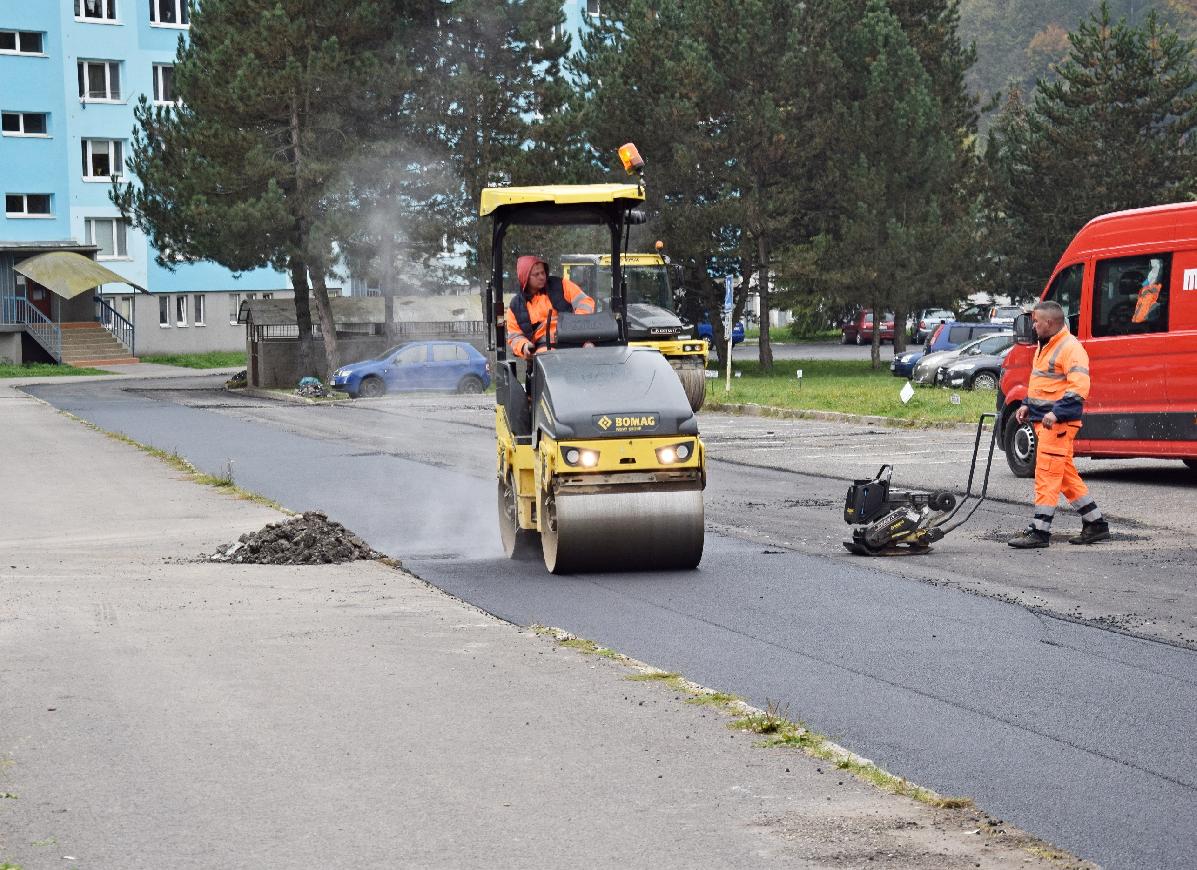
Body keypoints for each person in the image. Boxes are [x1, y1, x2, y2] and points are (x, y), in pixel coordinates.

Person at [1008, 300, 1111, 548]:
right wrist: (1026, 404)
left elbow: (1079, 389)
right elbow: (1042, 384)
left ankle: (1040, 531)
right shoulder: (1045, 346)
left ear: (1050, 323)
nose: (1033, 325)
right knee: (1064, 475)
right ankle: (1095, 524)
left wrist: (1056, 413)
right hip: (1046, 422)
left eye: (1036, 321)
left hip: (1058, 424)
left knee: (1046, 474)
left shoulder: (1070, 348)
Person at [504, 255, 595, 359]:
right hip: (544, 345)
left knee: (591, 350)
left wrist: (577, 321)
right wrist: (524, 345)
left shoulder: (561, 284)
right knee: (548, 359)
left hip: (575, 336)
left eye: (543, 273)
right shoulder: (515, 307)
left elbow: (585, 301)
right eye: (536, 274)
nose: (542, 277)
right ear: (525, 277)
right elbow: (514, 336)